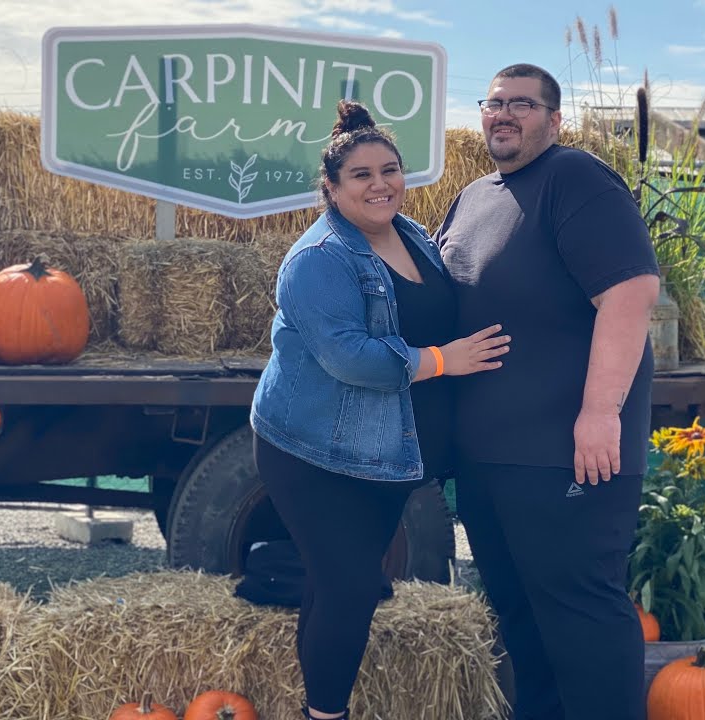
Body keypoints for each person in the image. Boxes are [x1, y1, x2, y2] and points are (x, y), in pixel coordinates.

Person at [250, 99, 510, 720]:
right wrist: (443, 361)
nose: (380, 184)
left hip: (384, 449)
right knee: (351, 588)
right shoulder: (319, 260)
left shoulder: (411, 234)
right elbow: (351, 358)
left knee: (339, 582)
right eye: (361, 175)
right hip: (314, 448)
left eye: (389, 169)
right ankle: (326, 713)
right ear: (332, 189)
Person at [436, 63, 660, 719]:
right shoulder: (476, 196)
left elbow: (629, 293)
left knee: (581, 618)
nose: (503, 114)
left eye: (523, 104)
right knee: (521, 618)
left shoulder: (576, 179)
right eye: (494, 102)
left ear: (555, 120)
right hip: (491, 457)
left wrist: (599, 414)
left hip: (567, 453)